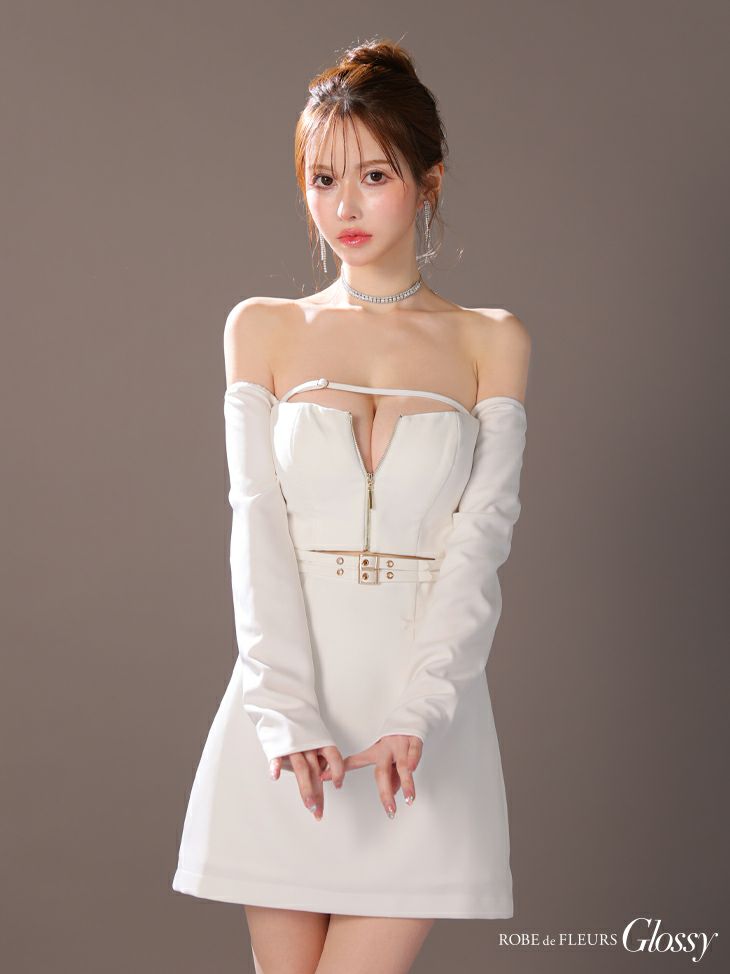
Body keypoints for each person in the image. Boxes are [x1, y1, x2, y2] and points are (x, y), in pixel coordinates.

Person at [172, 37, 532, 974]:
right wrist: (284, 714)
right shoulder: (261, 328)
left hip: (421, 725)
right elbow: (256, 529)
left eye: (374, 176)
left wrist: (423, 712)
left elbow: (480, 544)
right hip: (288, 718)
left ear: (428, 180)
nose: (345, 207)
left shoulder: (491, 341)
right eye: (323, 180)